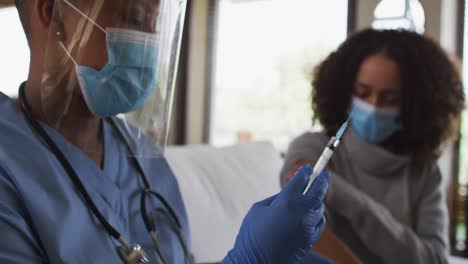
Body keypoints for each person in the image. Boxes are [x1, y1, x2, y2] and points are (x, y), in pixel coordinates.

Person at [0, 0, 330, 263]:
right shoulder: (9, 167)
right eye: (133, 18)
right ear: (51, 12)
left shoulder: (140, 154)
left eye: (155, 26)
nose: (149, 44)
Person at [280, 28, 465, 264]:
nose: (373, 106)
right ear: (345, 91)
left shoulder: (424, 170)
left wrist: (341, 194)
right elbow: (306, 234)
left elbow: (435, 259)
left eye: (389, 98)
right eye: (362, 92)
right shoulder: (310, 149)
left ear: (414, 105)